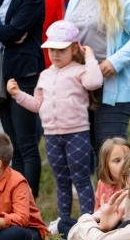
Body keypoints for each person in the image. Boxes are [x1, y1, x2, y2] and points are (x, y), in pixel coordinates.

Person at [7, 20, 103, 222]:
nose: (55, 54)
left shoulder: (80, 70)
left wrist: (91, 57)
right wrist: (17, 94)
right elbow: (37, 105)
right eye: (51, 49)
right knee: (62, 181)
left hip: (77, 134)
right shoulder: (45, 75)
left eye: (61, 50)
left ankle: (88, 221)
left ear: (74, 48)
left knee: (81, 179)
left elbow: (94, 82)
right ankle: (64, 221)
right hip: (52, 136)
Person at [65, 0, 130, 165]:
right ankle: (104, 193)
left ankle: (124, 192)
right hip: (85, 83)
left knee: (110, 152)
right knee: (98, 152)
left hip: (115, 85)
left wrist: (116, 61)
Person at [0, 0, 46, 199]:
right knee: (13, 143)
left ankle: (29, 203)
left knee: (26, 143)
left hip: (22, 72)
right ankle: (18, 199)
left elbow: (15, 31)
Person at [55, 137, 130, 240]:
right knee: (63, 223)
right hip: (100, 225)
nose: (124, 165)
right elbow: (96, 211)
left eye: (128, 159)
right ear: (106, 165)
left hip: (119, 229)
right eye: (117, 161)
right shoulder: (102, 183)